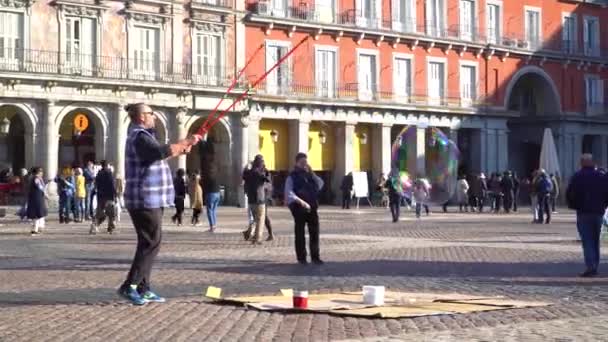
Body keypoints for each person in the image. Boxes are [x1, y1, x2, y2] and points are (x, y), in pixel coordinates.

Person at [118, 102, 200, 306]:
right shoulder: (139, 136)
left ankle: (143, 288)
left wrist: (182, 147)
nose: (154, 116)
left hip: (150, 198)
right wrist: (185, 141)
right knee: (150, 242)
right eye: (151, 113)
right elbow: (159, 152)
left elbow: (159, 153)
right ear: (141, 117)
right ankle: (130, 285)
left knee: (151, 241)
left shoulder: (144, 137)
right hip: (144, 198)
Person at [566, 154, 608, 277]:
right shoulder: (602, 176)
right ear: (593, 163)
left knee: (587, 240)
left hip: (583, 212)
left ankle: (591, 266)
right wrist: (604, 205)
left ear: (582, 163)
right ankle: (595, 265)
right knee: (596, 240)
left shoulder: (577, 176)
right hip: (599, 211)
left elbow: (569, 193)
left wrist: (574, 205)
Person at [285, 152, 324, 265]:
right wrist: (302, 203)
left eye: (305, 162)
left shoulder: (310, 174)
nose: (304, 164)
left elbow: (321, 184)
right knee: (300, 233)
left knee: (314, 233)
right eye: (302, 162)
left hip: (312, 207)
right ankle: (301, 258)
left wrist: (312, 173)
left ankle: (315, 257)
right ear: (296, 163)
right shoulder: (292, 176)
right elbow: (289, 193)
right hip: (299, 208)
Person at [243, 155, 271, 244]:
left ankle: (251, 234)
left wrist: (246, 167)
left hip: (251, 199)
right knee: (260, 220)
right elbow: (267, 180)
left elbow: (244, 175)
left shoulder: (249, 172)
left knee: (255, 219)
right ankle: (257, 238)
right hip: (259, 199)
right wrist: (266, 171)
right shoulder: (259, 173)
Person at [199, 138, 221, 232]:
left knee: (209, 210)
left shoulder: (207, 171)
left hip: (211, 193)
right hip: (218, 193)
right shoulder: (215, 169)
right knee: (214, 210)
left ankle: (212, 226)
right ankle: (214, 225)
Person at [90, 160, 117, 234]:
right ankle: (110, 227)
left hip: (100, 196)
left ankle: (94, 226)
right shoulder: (109, 173)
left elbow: (96, 184)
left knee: (100, 213)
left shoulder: (99, 173)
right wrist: (115, 195)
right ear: (107, 165)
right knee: (111, 213)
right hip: (109, 196)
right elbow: (112, 185)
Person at [27, 167, 47, 235]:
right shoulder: (36, 178)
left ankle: (37, 228)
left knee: (37, 214)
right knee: (37, 214)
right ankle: (35, 229)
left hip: (36, 198)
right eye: (41, 172)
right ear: (38, 172)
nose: (42, 173)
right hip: (36, 198)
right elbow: (40, 187)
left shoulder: (35, 178)